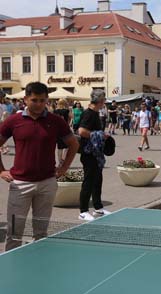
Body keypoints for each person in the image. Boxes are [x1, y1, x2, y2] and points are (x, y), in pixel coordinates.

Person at [0, 82, 79, 250]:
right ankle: (11, 270)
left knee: (41, 234)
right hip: (20, 184)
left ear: (47, 100)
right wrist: (1, 171)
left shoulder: (56, 121)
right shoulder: (13, 121)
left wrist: (64, 167)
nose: (38, 104)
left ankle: (39, 270)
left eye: (42, 100)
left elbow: (73, 144)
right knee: (14, 233)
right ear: (25, 99)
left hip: (47, 184)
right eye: (34, 100)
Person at [78, 89, 110, 221]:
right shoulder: (89, 114)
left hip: (96, 153)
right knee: (89, 181)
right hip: (88, 152)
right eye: (104, 101)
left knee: (97, 180)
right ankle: (83, 211)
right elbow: (81, 131)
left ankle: (98, 208)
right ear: (100, 101)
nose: (104, 103)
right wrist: (99, 135)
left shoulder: (95, 113)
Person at [54, 98, 73, 166]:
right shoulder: (67, 111)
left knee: (59, 147)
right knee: (67, 146)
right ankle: (63, 159)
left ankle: (60, 162)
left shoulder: (55, 111)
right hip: (65, 129)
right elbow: (71, 118)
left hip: (57, 130)